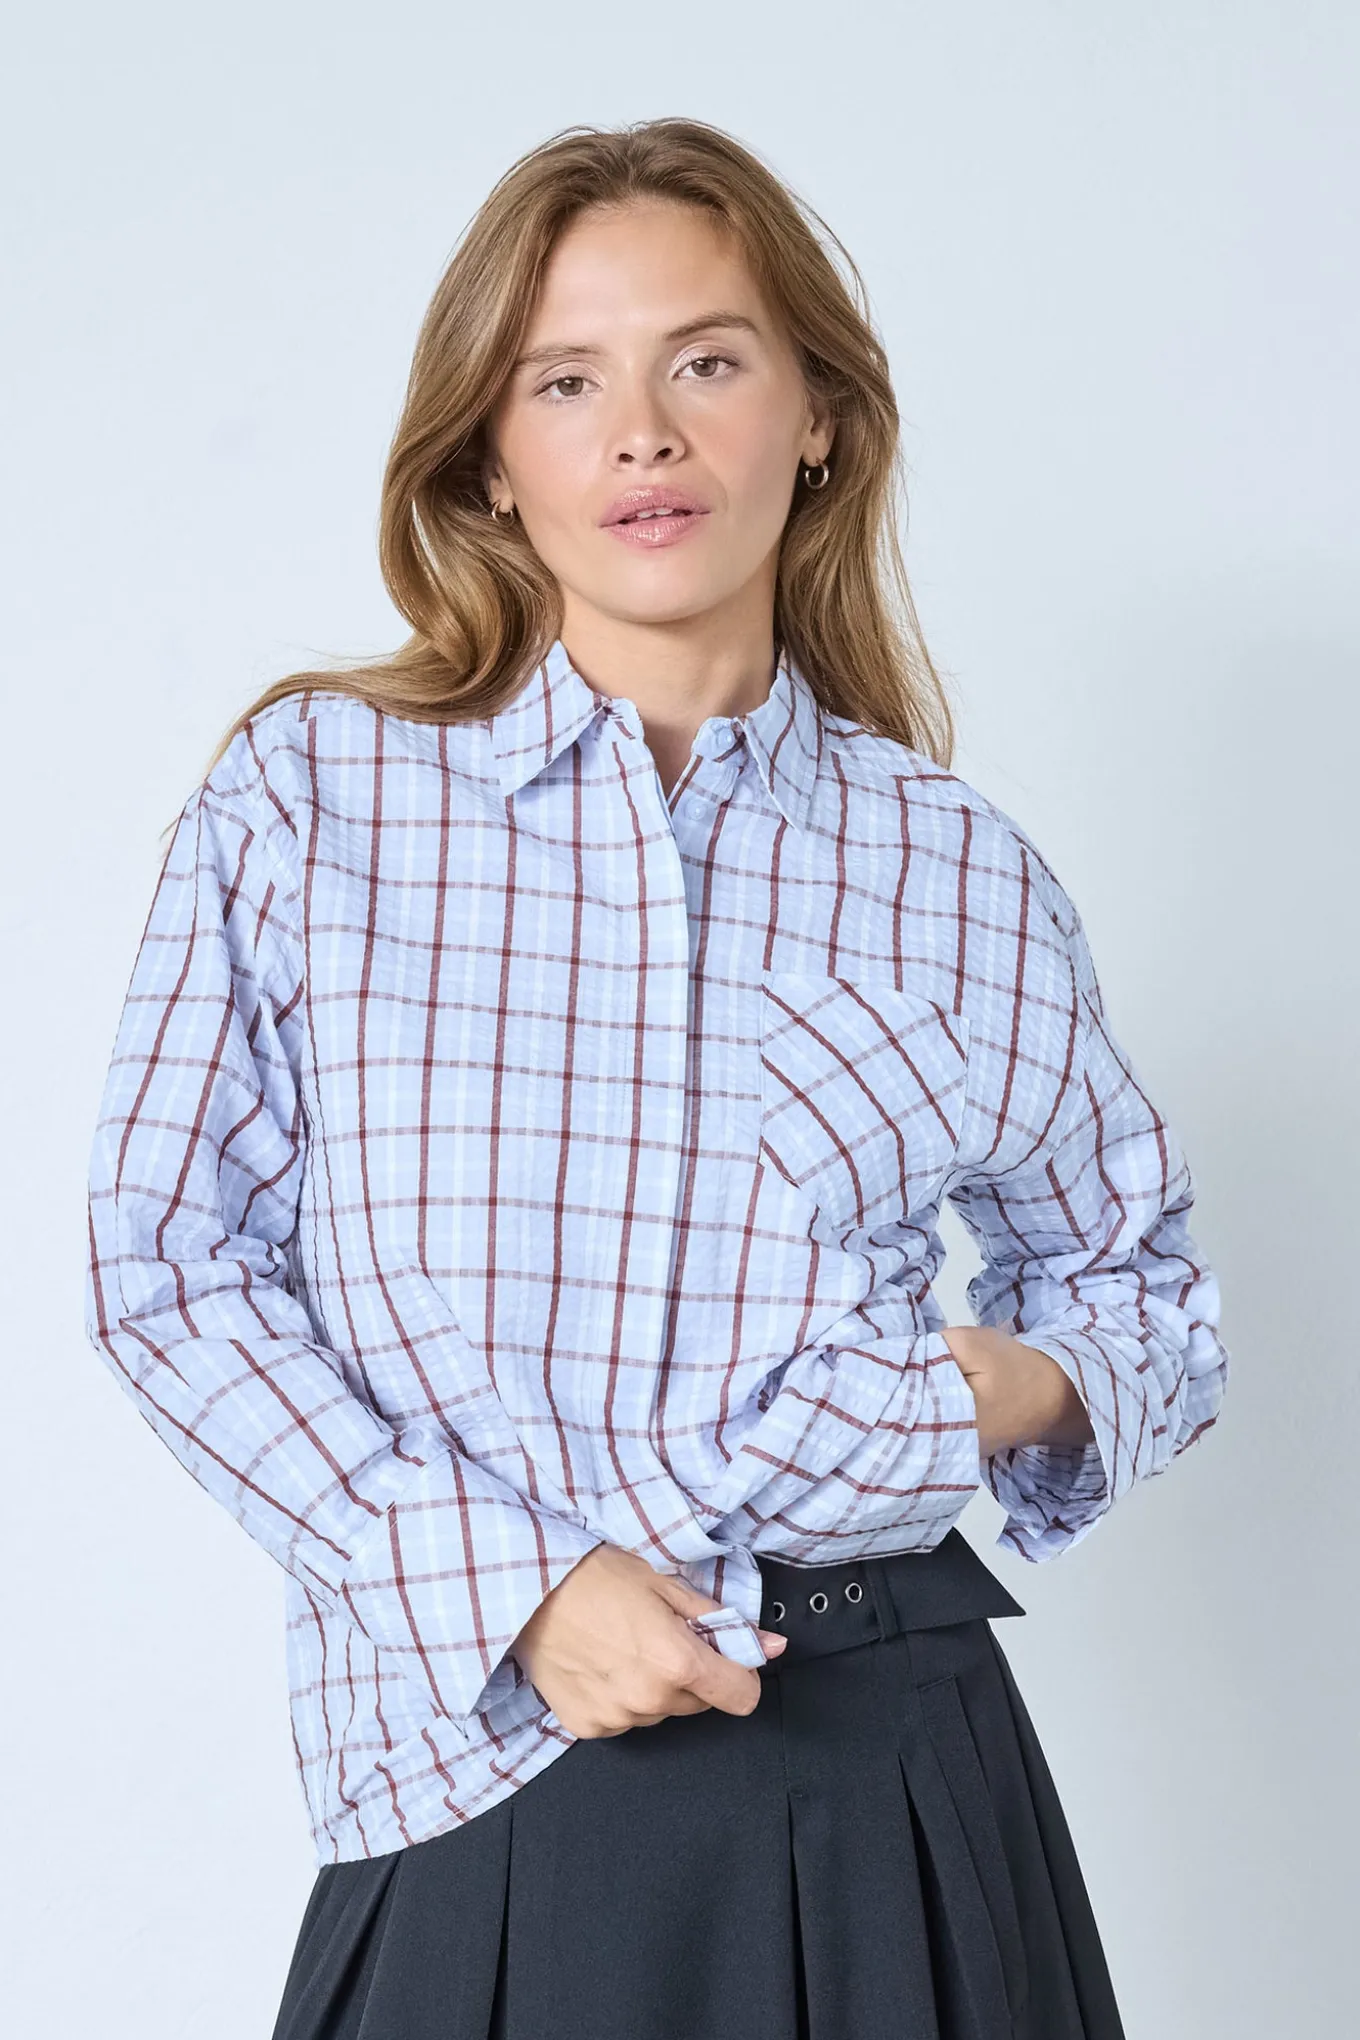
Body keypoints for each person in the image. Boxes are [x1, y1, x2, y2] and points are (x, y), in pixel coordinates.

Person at [83, 117, 1230, 2040]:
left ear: (818, 419)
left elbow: (1145, 1289)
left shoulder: (956, 866)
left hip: (897, 1766)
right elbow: (170, 1273)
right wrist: (520, 1595)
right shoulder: (313, 801)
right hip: (487, 1770)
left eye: (706, 360)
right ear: (490, 459)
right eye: (566, 382)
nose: (643, 435)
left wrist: (1012, 1386)